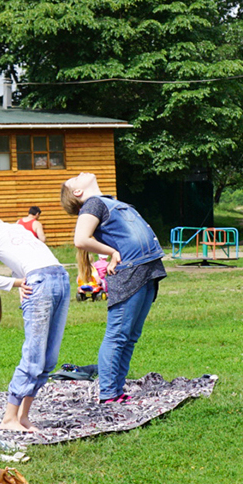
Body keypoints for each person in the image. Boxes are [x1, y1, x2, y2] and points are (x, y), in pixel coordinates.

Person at [0, 194, 69, 431]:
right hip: (40, 283)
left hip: (59, 279)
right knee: (34, 356)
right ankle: (9, 419)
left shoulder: (15, 226)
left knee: (49, 360)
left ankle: (24, 416)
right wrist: (17, 283)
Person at [60, 172, 165, 403]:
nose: (81, 174)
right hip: (130, 272)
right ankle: (108, 393)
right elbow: (81, 239)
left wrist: (111, 251)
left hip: (146, 268)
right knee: (118, 336)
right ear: (78, 192)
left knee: (130, 336)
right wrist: (112, 252)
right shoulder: (93, 204)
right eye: (76, 178)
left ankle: (116, 390)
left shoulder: (111, 201)